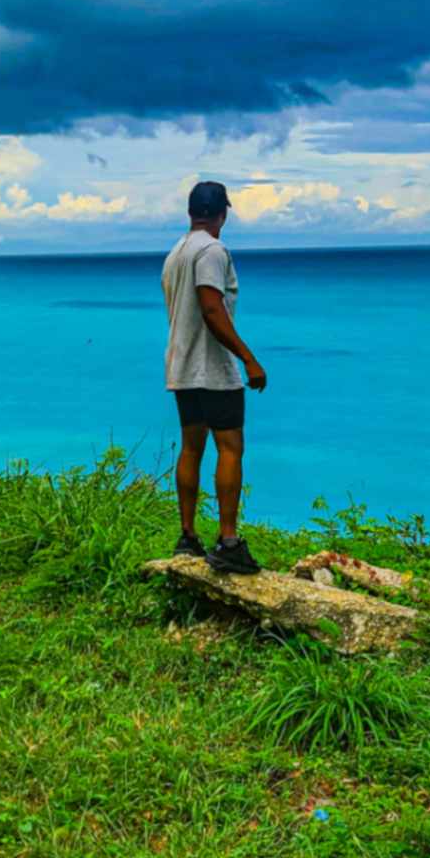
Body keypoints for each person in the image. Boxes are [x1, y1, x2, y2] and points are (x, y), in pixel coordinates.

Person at [162, 180, 267, 572]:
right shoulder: (212, 250)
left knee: (192, 447)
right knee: (230, 447)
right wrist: (248, 358)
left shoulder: (176, 253)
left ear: (192, 212)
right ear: (223, 213)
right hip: (212, 368)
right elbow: (211, 307)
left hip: (181, 365)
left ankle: (188, 537)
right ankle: (227, 541)